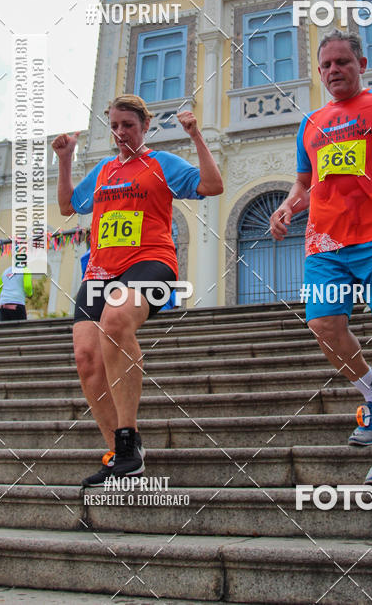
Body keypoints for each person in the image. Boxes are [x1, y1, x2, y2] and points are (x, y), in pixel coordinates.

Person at [270, 30, 372, 487]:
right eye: (326, 66)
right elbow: (304, 184)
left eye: (342, 61)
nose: (333, 70)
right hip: (326, 240)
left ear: (361, 63)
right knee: (324, 326)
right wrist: (286, 207)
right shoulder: (312, 122)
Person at [52, 94, 223, 487]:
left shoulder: (161, 163)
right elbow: (67, 207)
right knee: (85, 357)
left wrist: (196, 136)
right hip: (100, 272)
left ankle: (127, 439)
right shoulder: (103, 171)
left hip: (152, 264)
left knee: (115, 320)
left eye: (128, 125)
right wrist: (65, 159)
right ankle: (122, 454)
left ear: (145, 126)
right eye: (114, 125)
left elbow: (212, 185)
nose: (120, 132)